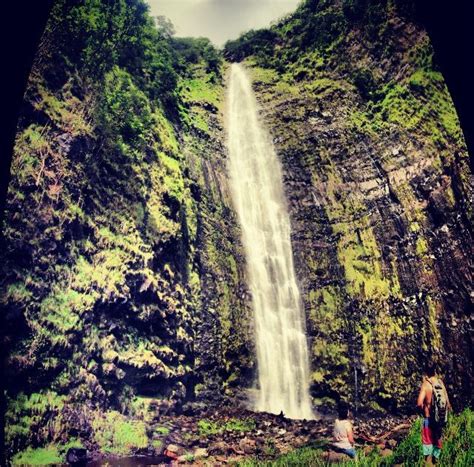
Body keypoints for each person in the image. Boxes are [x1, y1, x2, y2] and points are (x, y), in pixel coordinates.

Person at [417, 363, 452, 464]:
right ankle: (437, 461)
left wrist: (423, 408)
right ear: (435, 371)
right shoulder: (440, 382)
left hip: (428, 418)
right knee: (438, 439)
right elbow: (448, 404)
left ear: (426, 373)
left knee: (427, 441)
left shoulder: (426, 384)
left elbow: (419, 403)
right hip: (440, 418)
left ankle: (428, 463)